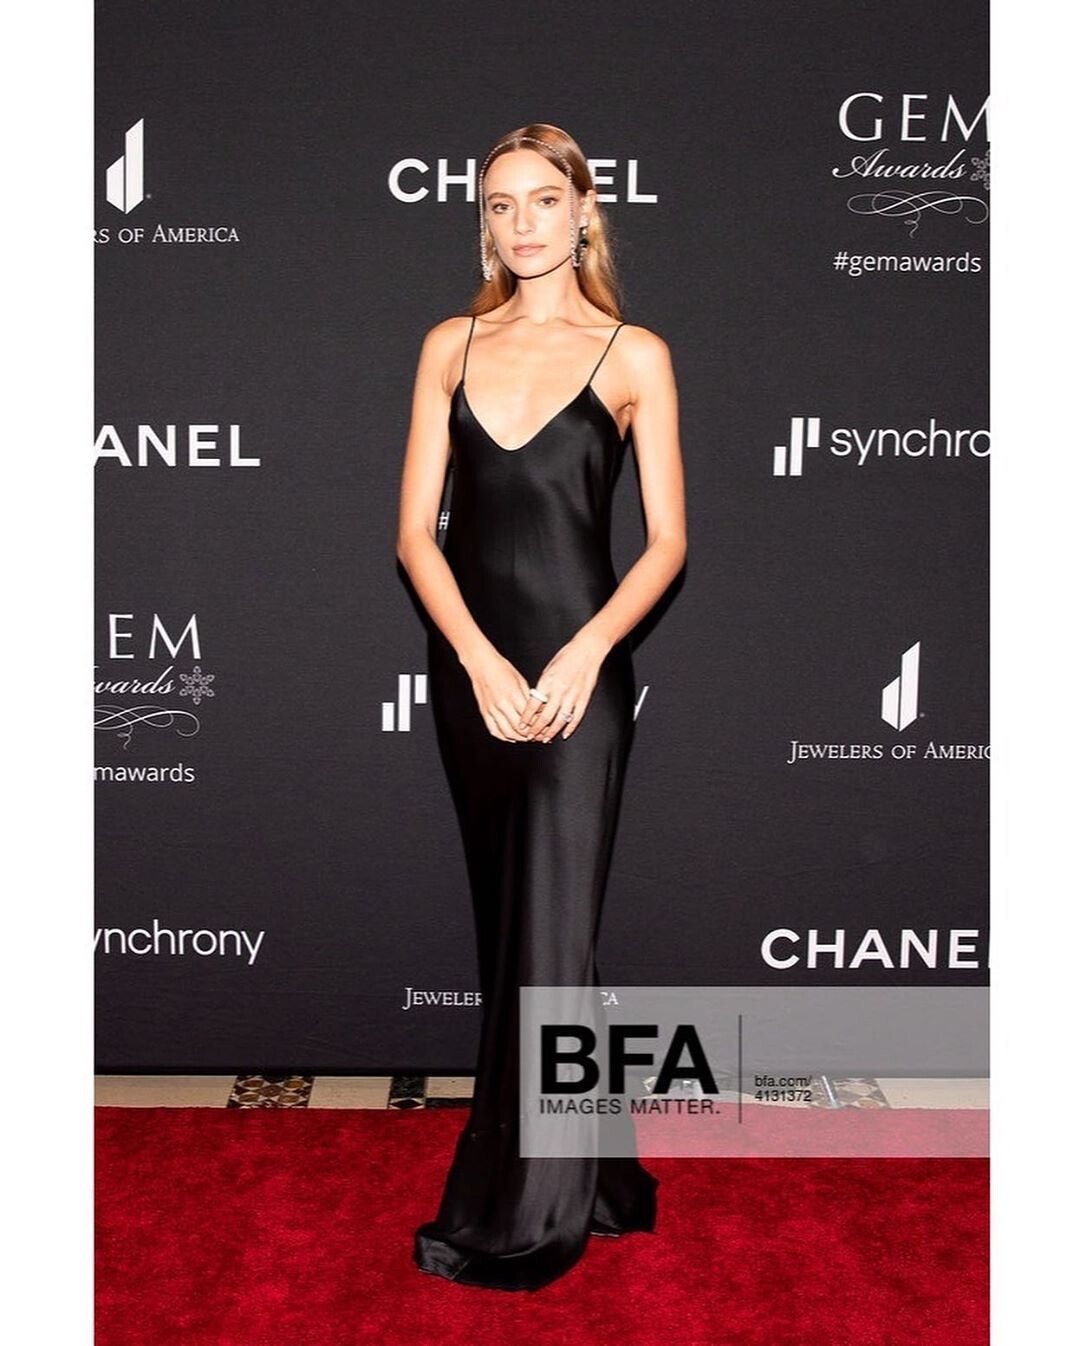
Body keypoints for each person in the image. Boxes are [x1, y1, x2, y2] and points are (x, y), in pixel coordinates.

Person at [396, 122, 687, 1291]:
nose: (522, 223)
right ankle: (597, 1170)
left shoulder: (634, 354)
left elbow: (667, 542)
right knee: (515, 932)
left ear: (584, 212)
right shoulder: (449, 344)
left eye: (542, 200)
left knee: (554, 938)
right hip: (474, 677)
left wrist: (586, 652)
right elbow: (416, 536)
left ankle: (528, 1210)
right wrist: (475, 659)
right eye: (499, 205)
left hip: (580, 680)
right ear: (486, 222)